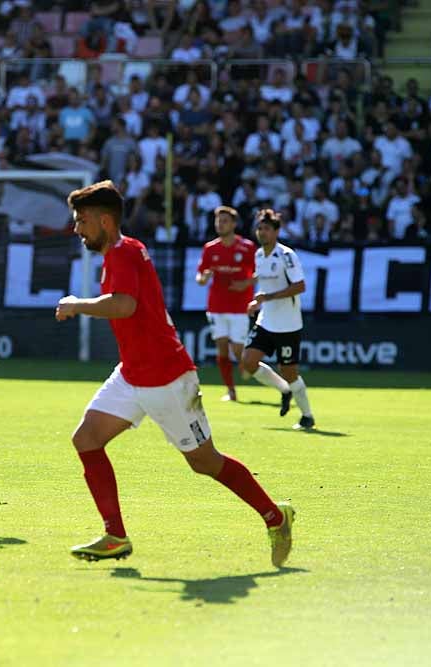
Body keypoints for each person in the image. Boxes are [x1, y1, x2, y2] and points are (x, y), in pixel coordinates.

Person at [54, 181, 294, 566]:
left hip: (167, 377)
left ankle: (276, 517)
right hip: (133, 373)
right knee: (86, 439)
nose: (77, 229)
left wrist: (77, 304)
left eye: (82, 221)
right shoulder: (123, 251)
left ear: (104, 219)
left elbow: (125, 305)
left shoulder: (123, 253)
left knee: (204, 462)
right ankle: (115, 534)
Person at [239, 209, 315, 430]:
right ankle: (284, 390)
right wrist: (256, 301)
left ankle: (307, 416)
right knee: (248, 362)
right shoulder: (259, 255)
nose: (262, 232)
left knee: (290, 373)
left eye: (267, 229)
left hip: (288, 324)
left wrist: (267, 297)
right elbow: (264, 281)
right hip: (266, 320)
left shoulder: (287, 255)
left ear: (276, 231)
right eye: (259, 228)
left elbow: (300, 286)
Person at [195, 206, 256, 402]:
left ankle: (245, 366)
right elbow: (200, 276)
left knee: (238, 350)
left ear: (234, 224)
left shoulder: (247, 247)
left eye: (225, 221)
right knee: (222, 348)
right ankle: (231, 390)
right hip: (216, 305)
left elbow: (258, 273)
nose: (220, 224)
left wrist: (246, 283)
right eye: (218, 221)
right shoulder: (210, 248)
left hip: (240, 305)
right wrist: (203, 279)